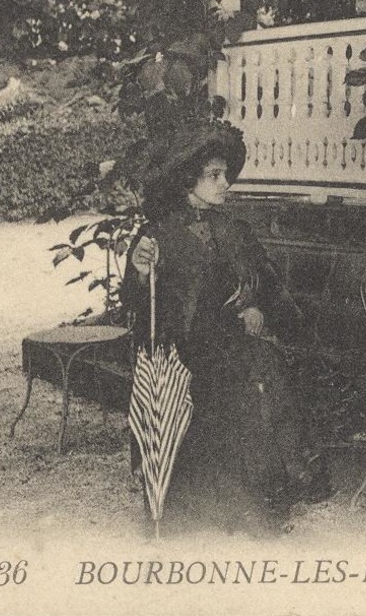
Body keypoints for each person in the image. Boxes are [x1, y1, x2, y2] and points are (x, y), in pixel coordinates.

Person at [123, 124, 329, 536]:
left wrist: (254, 307)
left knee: (266, 370)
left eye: (225, 174)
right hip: (180, 346)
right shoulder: (157, 236)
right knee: (229, 383)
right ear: (187, 180)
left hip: (229, 337)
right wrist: (142, 270)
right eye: (213, 176)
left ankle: (259, 500)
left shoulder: (233, 230)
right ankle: (197, 506)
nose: (225, 183)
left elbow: (259, 281)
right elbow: (137, 304)